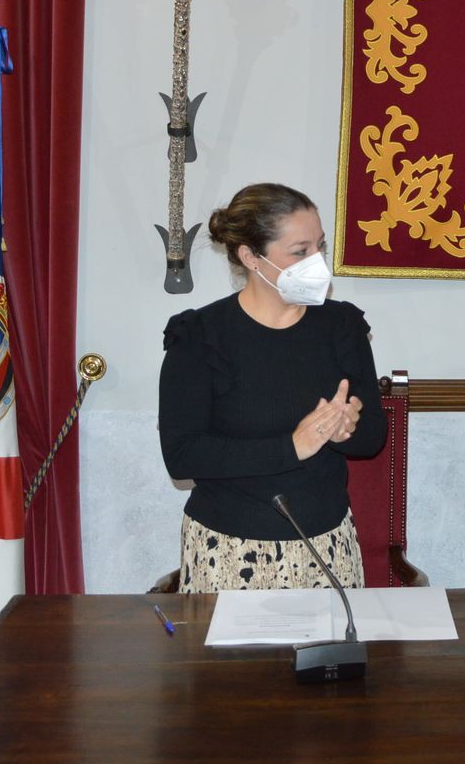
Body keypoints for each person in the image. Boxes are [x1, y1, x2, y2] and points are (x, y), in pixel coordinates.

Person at [158, 182, 386, 591]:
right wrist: (291, 447)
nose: (317, 262)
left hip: (328, 546)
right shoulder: (199, 337)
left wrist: (346, 429)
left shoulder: (342, 327)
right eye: (300, 252)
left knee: (333, 658)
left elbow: (372, 439)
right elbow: (183, 457)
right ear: (251, 257)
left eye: (320, 246)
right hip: (227, 550)